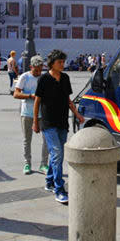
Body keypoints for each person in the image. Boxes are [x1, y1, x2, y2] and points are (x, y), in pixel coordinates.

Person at [33, 49, 85, 204]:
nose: (62, 64)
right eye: (59, 62)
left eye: (63, 62)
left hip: (62, 121)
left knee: (57, 153)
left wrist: (77, 114)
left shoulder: (65, 78)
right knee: (57, 154)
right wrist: (36, 122)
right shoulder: (43, 79)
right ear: (52, 63)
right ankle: (59, 189)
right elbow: (37, 102)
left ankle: (49, 181)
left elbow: (68, 100)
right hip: (48, 123)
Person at [14, 55, 49, 175]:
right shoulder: (25, 77)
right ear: (31, 67)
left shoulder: (44, 77)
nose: (38, 72)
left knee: (46, 139)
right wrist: (30, 96)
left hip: (42, 113)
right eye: (36, 70)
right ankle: (27, 163)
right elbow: (16, 94)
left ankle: (44, 164)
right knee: (27, 140)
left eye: (40, 69)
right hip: (27, 112)